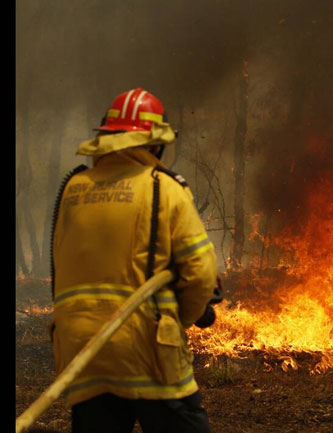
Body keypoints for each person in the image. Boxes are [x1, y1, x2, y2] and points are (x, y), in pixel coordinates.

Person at [50, 87, 219, 433]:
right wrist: (181, 319)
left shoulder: (73, 189)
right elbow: (201, 274)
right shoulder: (164, 187)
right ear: (155, 143)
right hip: (147, 348)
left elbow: (62, 270)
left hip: (82, 351)